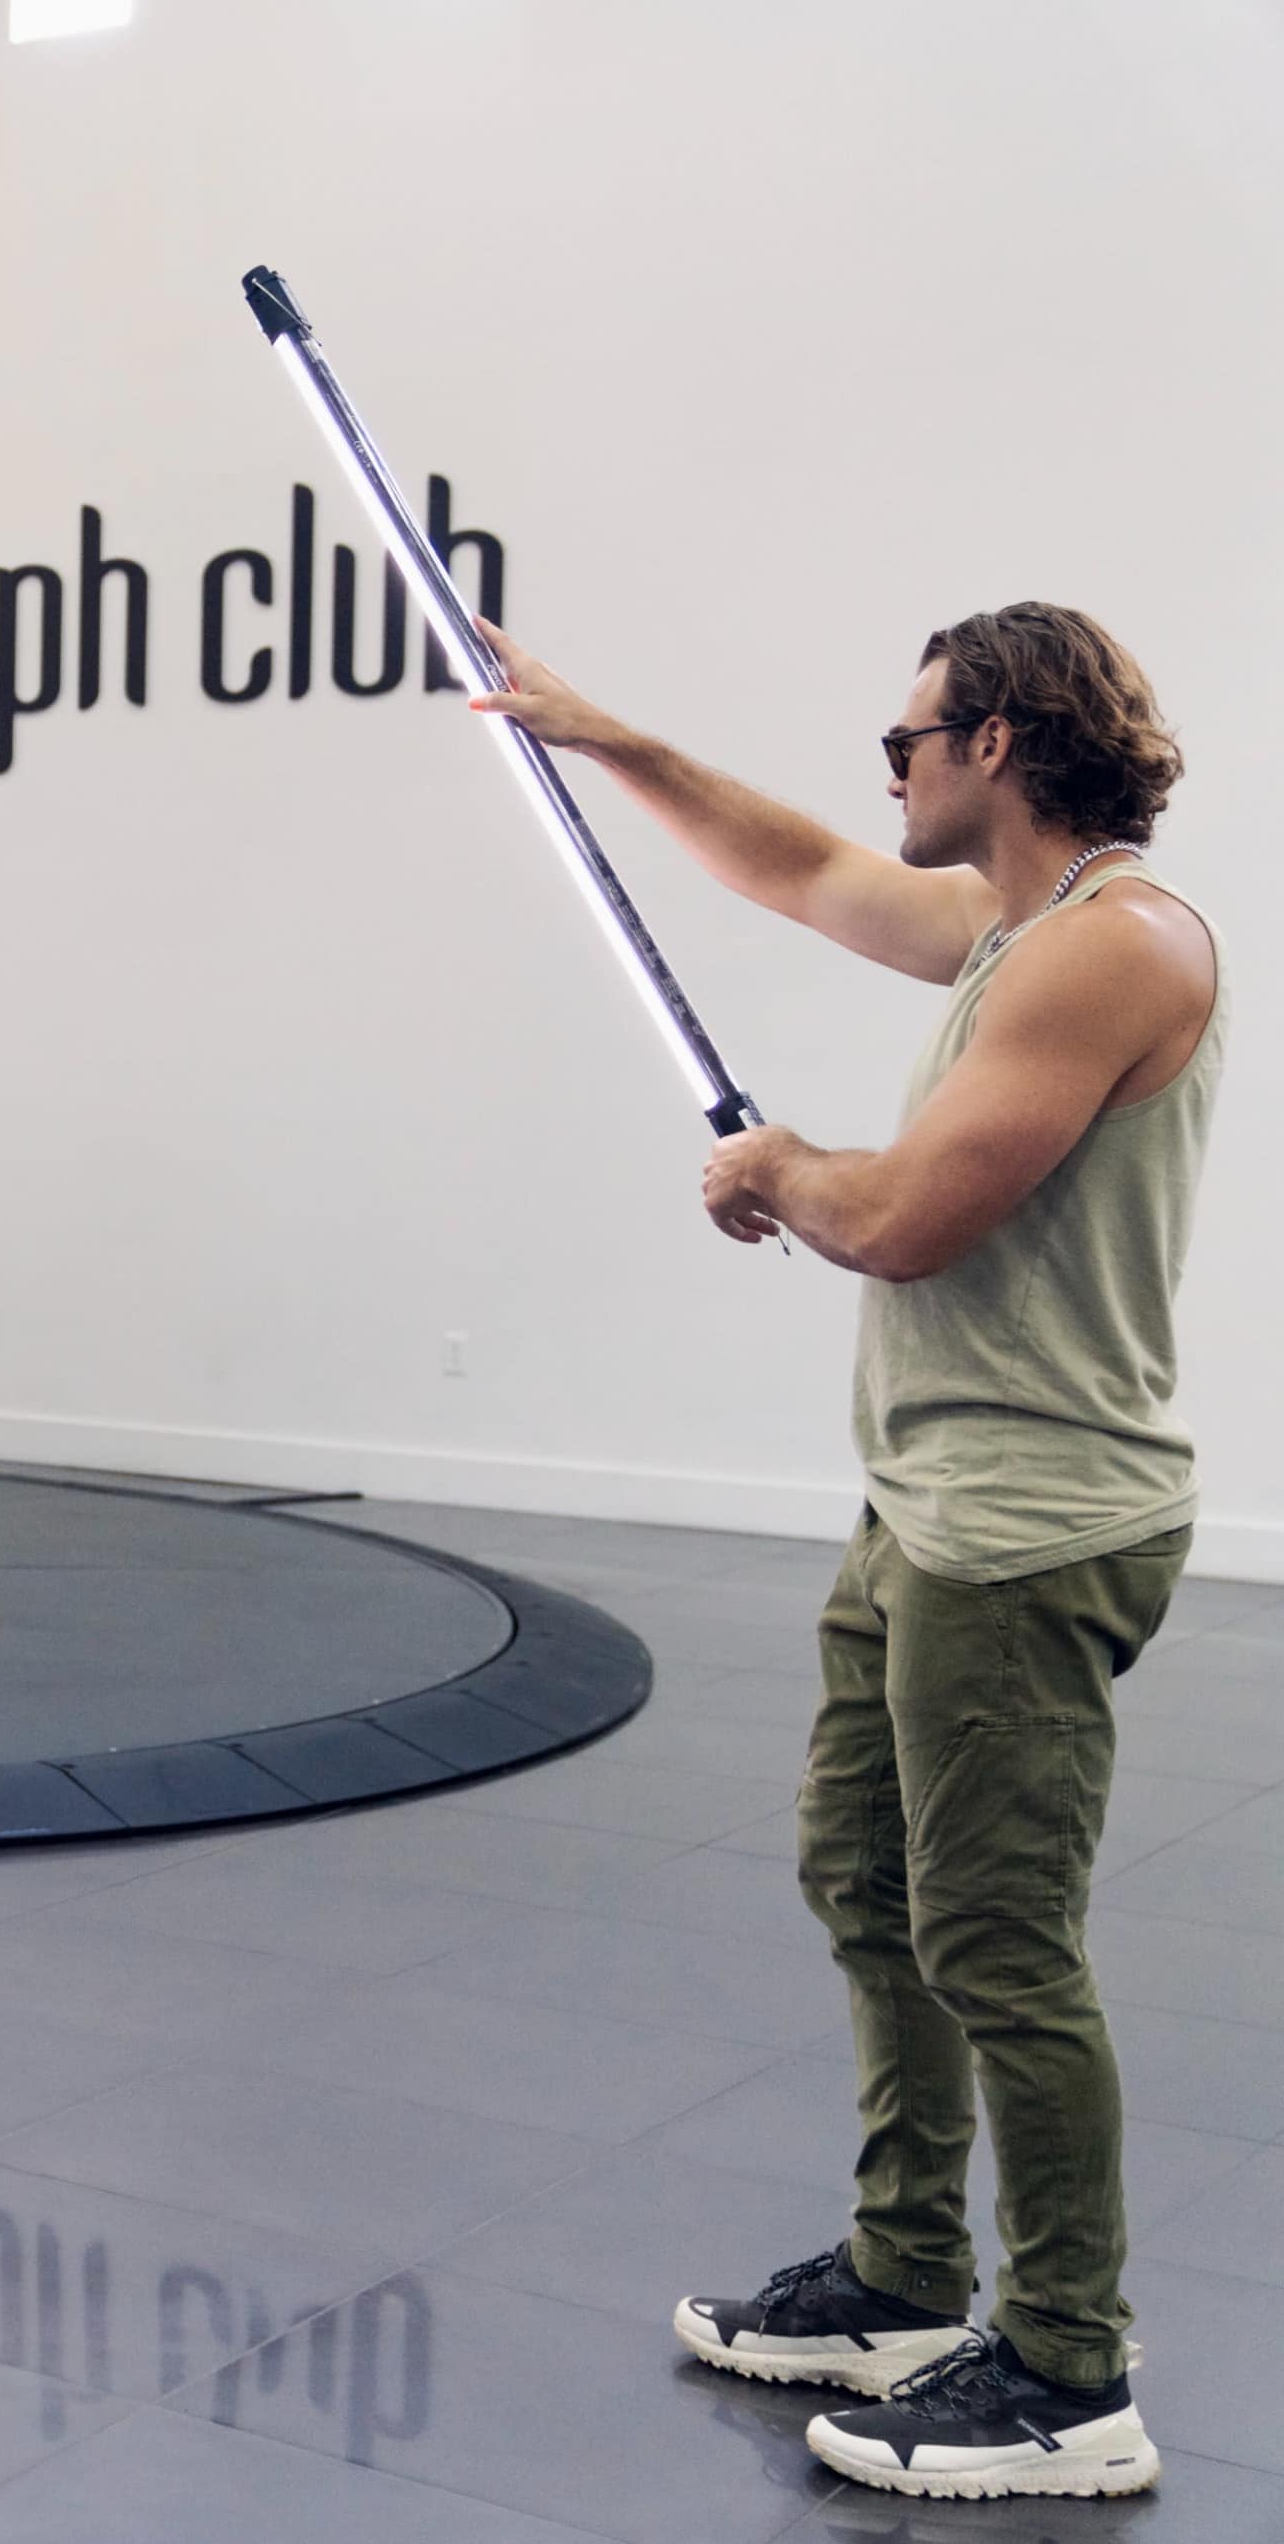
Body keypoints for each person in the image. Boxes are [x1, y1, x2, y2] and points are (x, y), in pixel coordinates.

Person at [481, 606, 1213, 2502]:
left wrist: (773, 1169)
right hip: (927, 1497)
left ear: (997, 741)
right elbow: (798, 867)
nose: (885, 776)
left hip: (1029, 1525)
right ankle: (902, 2273)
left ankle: (1068, 2368)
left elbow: (900, 1220)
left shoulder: (1115, 947)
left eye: (906, 744)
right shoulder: (1018, 932)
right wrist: (600, 733)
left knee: (996, 1936)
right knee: (867, 1876)